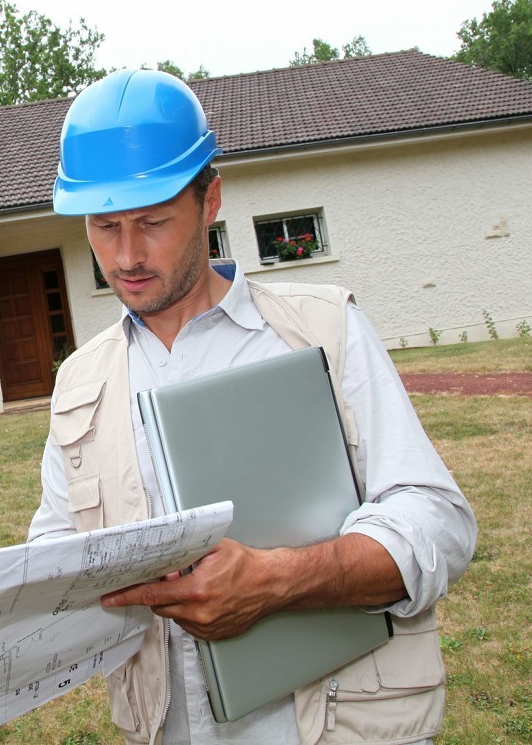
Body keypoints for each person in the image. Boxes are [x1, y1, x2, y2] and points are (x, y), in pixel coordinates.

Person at [28, 69, 477, 744]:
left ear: (210, 199)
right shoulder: (80, 382)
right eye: (104, 225)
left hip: (337, 725)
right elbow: (55, 548)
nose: (126, 255)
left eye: (152, 221)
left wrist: (280, 580)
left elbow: (438, 522)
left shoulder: (323, 330)